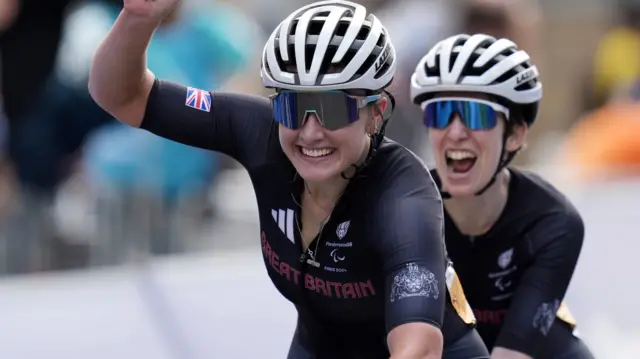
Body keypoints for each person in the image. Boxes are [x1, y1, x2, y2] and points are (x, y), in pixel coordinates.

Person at [88, 0, 490, 358]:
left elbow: (417, 347)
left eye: (333, 109)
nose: (310, 132)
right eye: (293, 106)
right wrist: (137, 19)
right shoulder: (258, 131)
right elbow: (120, 96)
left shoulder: (405, 196)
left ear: (376, 110)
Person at [409, 33, 595, 358]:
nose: (455, 132)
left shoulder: (553, 222)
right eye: (439, 113)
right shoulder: (403, 207)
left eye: (475, 114)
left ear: (515, 135)